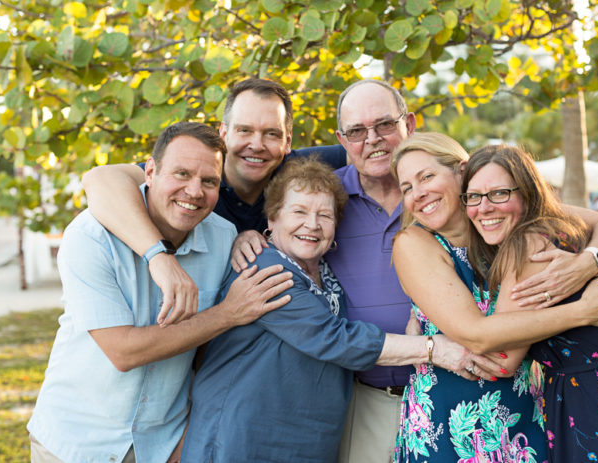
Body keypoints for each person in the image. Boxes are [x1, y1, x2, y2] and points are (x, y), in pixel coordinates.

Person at [230, 81, 598, 462]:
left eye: (384, 125)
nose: (371, 140)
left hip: (499, 402)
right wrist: (244, 233)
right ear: (342, 141)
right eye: (356, 132)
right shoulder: (327, 198)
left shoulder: (482, 202)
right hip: (372, 398)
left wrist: (589, 262)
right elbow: (282, 215)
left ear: (408, 125)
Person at [179, 157, 494, 462]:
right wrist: (431, 348)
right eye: (299, 211)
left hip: (307, 441)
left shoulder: (327, 276)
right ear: (272, 219)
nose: (312, 225)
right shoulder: (265, 269)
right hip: (243, 438)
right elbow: (334, 338)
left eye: (324, 216)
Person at [27, 122, 294, 463]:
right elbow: (123, 351)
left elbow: (212, 356)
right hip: (76, 443)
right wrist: (227, 313)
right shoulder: (91, 236)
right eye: (181, 174)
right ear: (149, 172)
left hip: (164, 446)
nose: (194, 192)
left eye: (209, 181)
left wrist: (190, 434)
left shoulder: (224, 238)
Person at [390, 133, 598, 462]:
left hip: (525, 416)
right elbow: (477, 335)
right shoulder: (413, 243)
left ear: (462, 171)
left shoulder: (502, 218)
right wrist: (583, 312)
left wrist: (587, 263)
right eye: (406, 187)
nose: (418, 194)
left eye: (427, 177)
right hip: (452, 424)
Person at [462, 144, 598, 462]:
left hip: (595, 407)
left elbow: (503, 360)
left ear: (526, 194)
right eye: (474, 196)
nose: (484, 207)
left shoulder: (528, 247)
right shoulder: (560, 227)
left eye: (499, 194)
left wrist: (428, 343)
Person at [81, 78, 346, 323]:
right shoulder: (195, 181)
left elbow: (367, 150)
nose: (257, 144)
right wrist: (159, 256)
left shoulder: (300, 170)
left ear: (288, 141)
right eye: (244, 130)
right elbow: (99, 180)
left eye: (271, 134)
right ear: (224, 133)